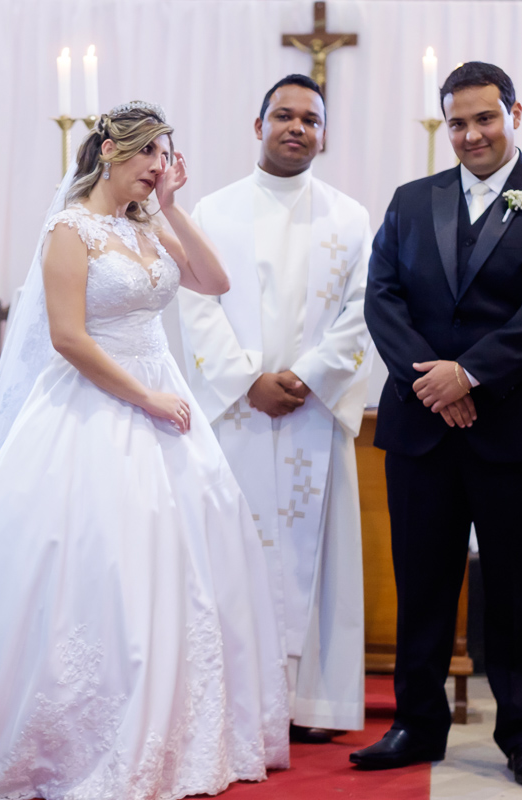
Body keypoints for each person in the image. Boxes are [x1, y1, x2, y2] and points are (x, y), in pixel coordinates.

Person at [0, 102, 291, 799]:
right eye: (150, 154)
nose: (160, 167)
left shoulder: (147, 223)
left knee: (180, 557)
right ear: (109, 152)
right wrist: (145, 398)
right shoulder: (70, 230)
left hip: (163, 399)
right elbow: (69, 338)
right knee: (98, 556)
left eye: (166, 155)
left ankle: (173, 724)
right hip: (95, 404)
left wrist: (173, 207)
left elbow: (214, 282)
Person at [355, 62, 522, 788]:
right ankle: (416, 722)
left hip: (521, 426)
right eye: (457, 122)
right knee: (422, 581)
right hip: (422, 425)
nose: (470, 135)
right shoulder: (411, 200)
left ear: (514, 114)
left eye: (484, 118)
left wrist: (471, 374)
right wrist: (434, 383)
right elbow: (382, 298)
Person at [176, 74, 372, 744]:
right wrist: (245, 381)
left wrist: (310, 377)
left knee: (319, 559)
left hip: (314, 411)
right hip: (239, 415)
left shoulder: (350, 217)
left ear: (324, 134)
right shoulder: (213, 211)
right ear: (257, 127)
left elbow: (364, 310)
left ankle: (314, 704)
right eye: (283, 116)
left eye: (310, 119)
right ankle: (237, 701)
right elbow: (195, 305)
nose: (297, 128)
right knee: (237, 554)